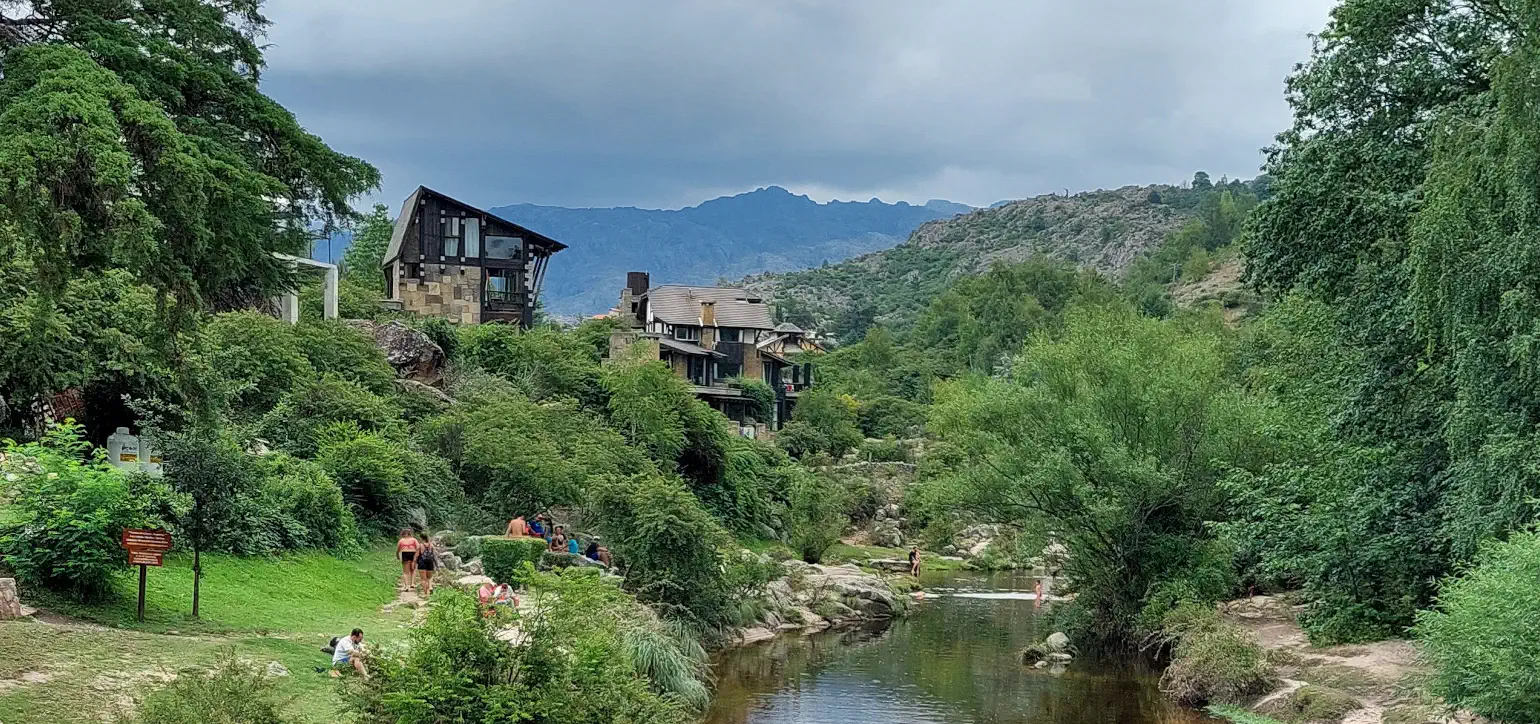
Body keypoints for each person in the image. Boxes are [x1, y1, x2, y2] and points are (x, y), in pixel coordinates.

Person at [416, 533, 438, 597]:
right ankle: (430, 587)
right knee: (430, 577)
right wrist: (437, 565)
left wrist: (414, 562)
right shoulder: (431, 545)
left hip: (422, 562)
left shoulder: (420, 545)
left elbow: (416, 555)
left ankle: (426, 593)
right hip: (430, 562)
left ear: (421, 538)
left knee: (423, 579)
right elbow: (434, 556)